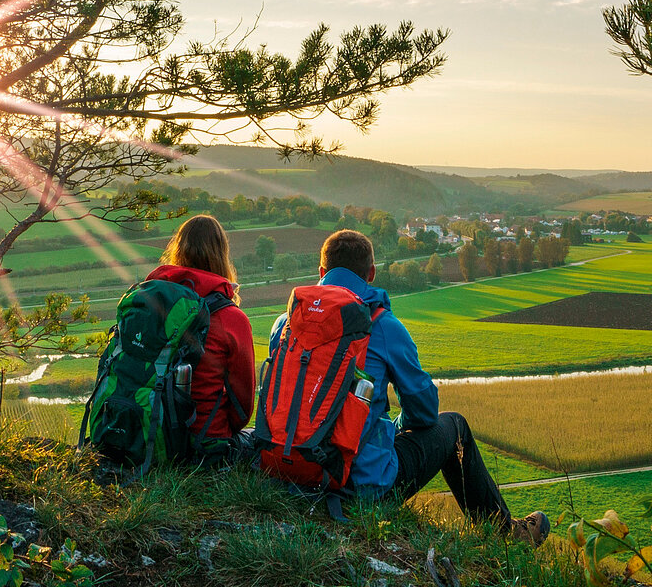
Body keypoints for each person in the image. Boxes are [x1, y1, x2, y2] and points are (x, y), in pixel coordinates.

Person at [303, 229, 549, 542]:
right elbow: (422, 412)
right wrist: (394, 428)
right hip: (359, 485)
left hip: (297, 469)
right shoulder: (381, 325)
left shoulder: (287, 323)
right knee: (455, 425)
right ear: (371, 274)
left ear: (321, 273)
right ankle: (502, 533)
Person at [147, 213, 256, 453]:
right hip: (205, 441)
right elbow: (243, 409)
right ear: (221, 255)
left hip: (149, 432)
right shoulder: (231, 318)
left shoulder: (151, 302)